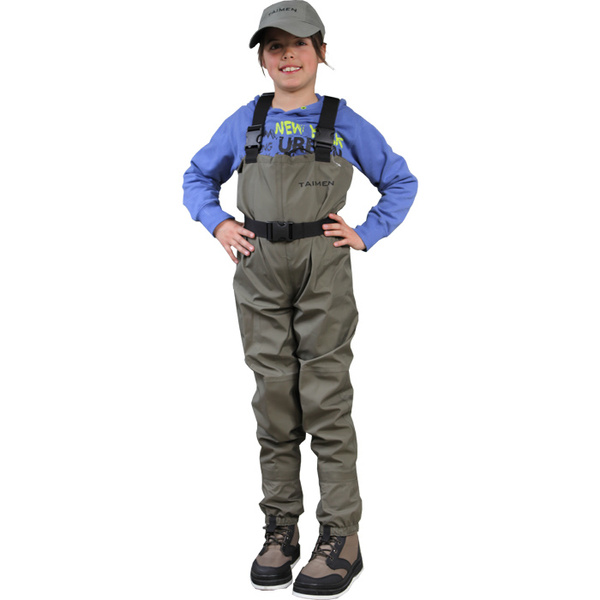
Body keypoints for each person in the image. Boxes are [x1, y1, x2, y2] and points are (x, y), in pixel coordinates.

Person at [182, 1, 417, 597]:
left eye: (300, 43)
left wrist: (367, 232)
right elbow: (196, 176)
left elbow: (400, 180)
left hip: (322, 265)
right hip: (258, 265)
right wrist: (218, 223)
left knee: (325, 400)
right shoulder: (247, 119)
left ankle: (341, 535)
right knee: (275, 401)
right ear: (263, 59)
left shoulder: (342, 120)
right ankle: (281, 528)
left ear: (321, 52)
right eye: (275, 45)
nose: (288, 54)